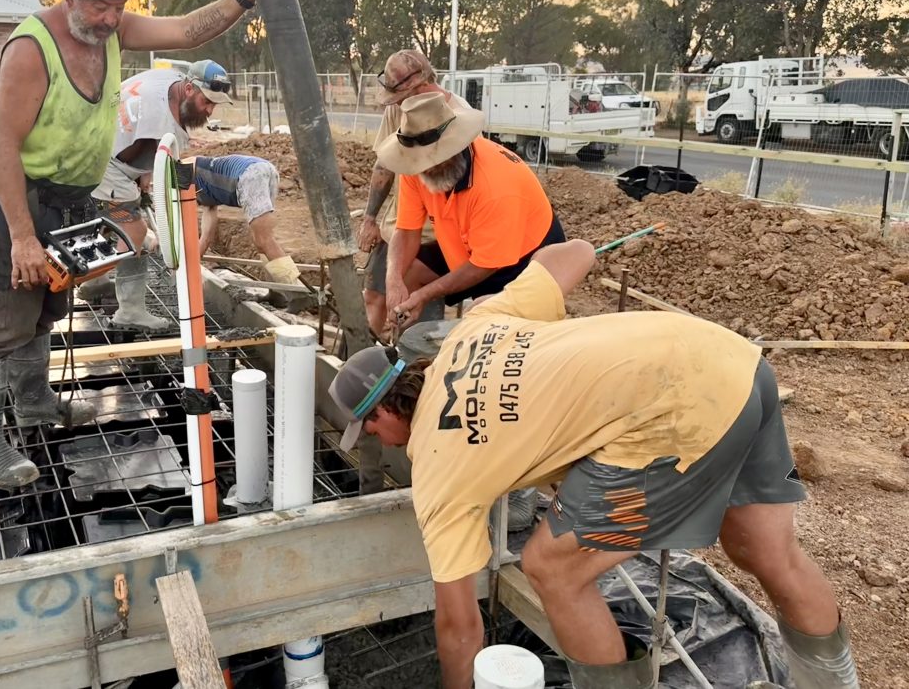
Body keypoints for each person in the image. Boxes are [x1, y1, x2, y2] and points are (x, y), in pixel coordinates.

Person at [327, 240, 858, 689]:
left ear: (386, 408)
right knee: (766, 549)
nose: (379, 441)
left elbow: (460, 627)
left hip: (671, 415)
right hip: (728, 361)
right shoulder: (476, 328)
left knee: (552, 567)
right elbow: (575, 252)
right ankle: (837, 679)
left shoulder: (439, 466)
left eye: (370, 428)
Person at [0, 0, 257, 489]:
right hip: (20, 200)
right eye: (99, 7)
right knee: (0, 321)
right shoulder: (32, 48)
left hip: (71, 196)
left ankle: (35, 406)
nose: (110, 18)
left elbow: (189, 30)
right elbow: (3, 146)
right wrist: (22, 238)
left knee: (47, 306)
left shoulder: (114, 32)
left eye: (118, 6)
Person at [375, 90, 565, 334]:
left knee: (493, 328)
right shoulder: (415, 168)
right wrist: (394, 280)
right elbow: (407, 230)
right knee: (408, 275)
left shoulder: (495, 186)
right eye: (420, 162)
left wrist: (425, 294)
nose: (426, 169)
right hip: (463, 243)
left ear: (454, 146)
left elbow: (483, 265)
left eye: (434, 161)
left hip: (521, 257)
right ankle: (406, 354)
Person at [82, 60, 234, 329]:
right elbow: (154, 160)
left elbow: (141, 147)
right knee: (135, 233)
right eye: (207, 101)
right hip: (104, 165)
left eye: (215, 104)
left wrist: (141, 179)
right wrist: (150, 180)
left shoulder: (168, 80)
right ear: (189, 89)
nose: (210, 110)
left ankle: (94, 283)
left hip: (97, 142)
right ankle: (127, 310)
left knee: (110, 222)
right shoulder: (161, 120)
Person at [357, 50, 473, 336]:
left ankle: (410, 375)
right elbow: (384, 164)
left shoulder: (458, 118)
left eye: (400, 97)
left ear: (420, 85)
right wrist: (370, 218)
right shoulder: (397, 109)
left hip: (435, 239)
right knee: (374, 297)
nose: (396, 105)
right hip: (396, 229)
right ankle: (361, 365)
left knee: (416, 320)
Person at [194, 154, 301, 285]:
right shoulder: (204, 191)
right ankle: (278, 292)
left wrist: (189, 267)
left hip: (250, 175)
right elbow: (206, 237)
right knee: (259, 241)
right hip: (265, 169)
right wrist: (194, 263)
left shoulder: (183, 172)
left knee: (264, 240)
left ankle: (298, 292)